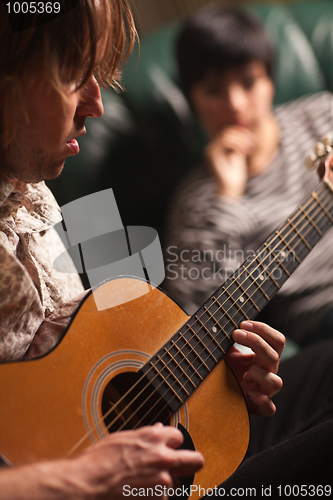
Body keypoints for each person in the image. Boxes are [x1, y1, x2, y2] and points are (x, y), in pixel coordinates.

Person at [0, 1, 332, 497]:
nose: (97, 104)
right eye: (73, 77)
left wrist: (213, 381)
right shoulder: (195, 197)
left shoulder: (40, 193)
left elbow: (101, 356)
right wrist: (79, 476)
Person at [164, 5, 333, 347]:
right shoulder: (196, 202)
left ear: (270, 81)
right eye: (214, 90)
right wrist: (227, 197)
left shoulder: (322, 114)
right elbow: (197, 320)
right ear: (192, 101)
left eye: (248, 81)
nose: (236, 104)